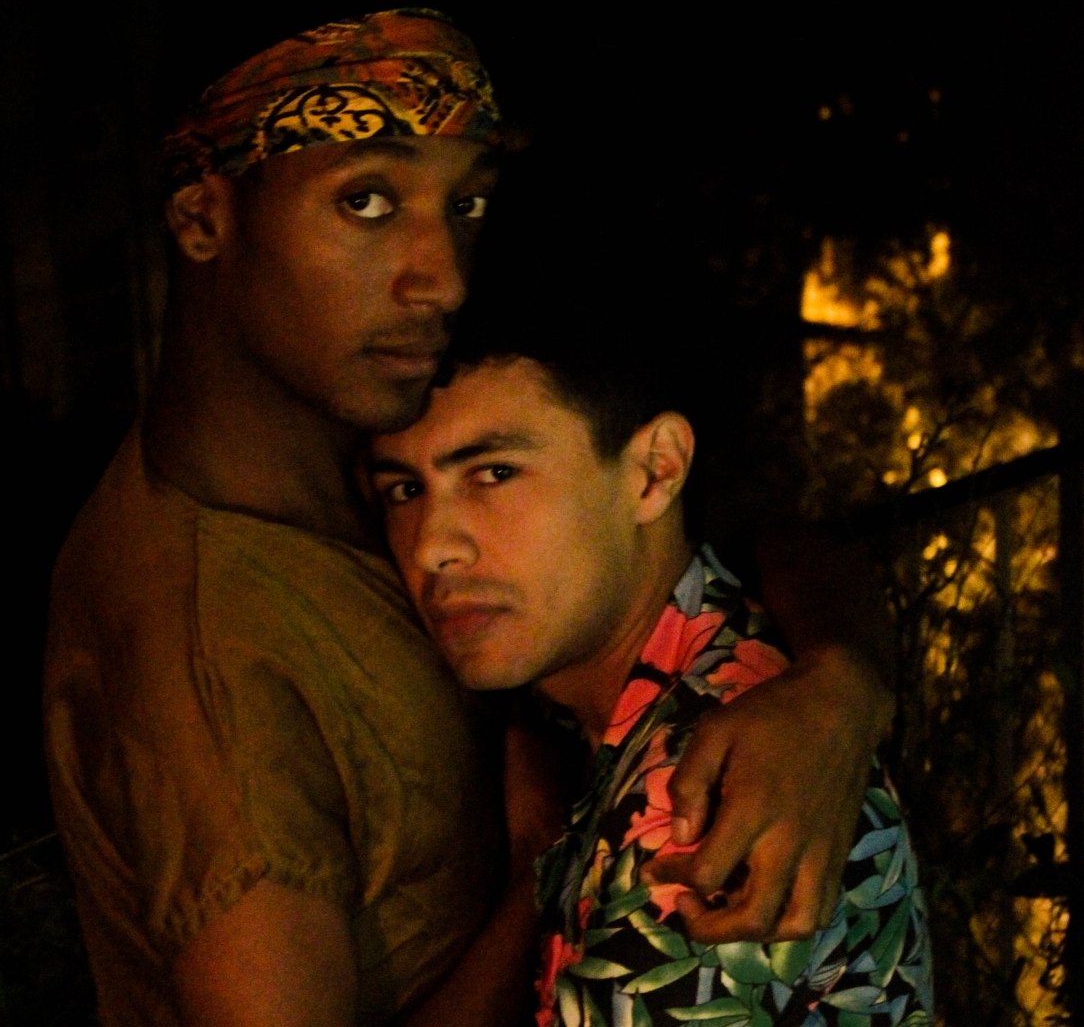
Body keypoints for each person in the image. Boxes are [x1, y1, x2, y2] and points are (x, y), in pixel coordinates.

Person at [43, 7, 895, 1026]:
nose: (441, 275)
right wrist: (540, 872)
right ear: (201, 219)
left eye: (465, 204)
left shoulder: (371, 420)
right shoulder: (204, 653)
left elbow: (756, 534)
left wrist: (839, 686)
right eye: (364, 199)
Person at [367, 297, 934, 1026]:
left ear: (654, 472)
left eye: (494, 473)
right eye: (405, 489)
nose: (430, 547)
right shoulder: (609, 707)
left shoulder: (702, 808)